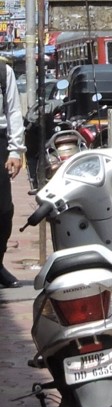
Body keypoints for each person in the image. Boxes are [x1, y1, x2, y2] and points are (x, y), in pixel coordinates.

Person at [0, 61, 24, 287]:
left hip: (0, 141)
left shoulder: (3, 71)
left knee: (4, 210)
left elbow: (14, 110)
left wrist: (15, 150)